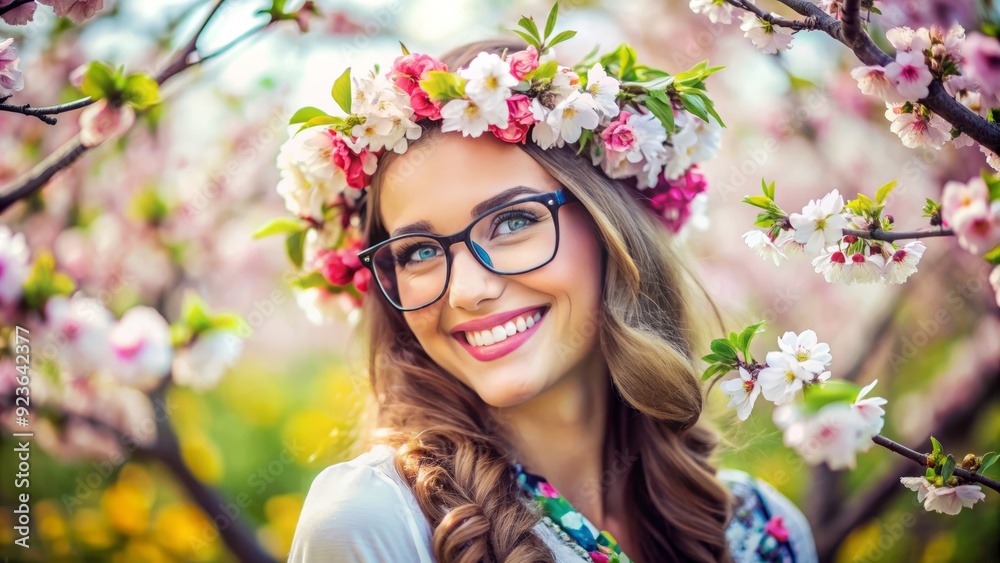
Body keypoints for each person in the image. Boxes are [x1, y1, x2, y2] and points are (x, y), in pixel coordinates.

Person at [283, 14, 818, 562]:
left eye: (513, 222)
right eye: (420, 252)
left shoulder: (764, 529)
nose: (467, 291)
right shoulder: (379, 522)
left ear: (611, 228)